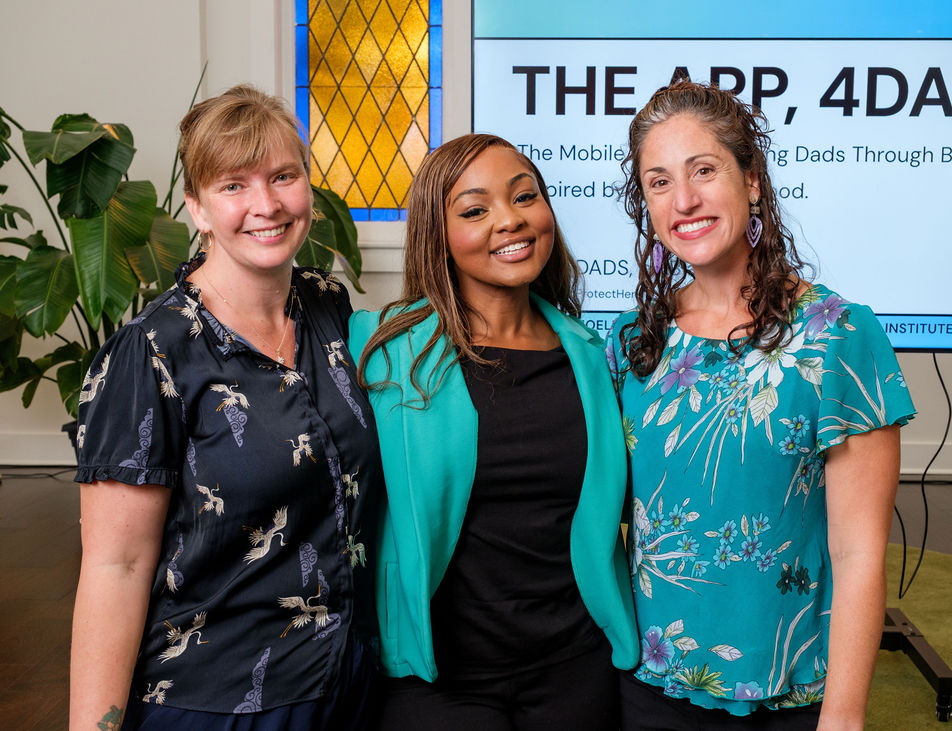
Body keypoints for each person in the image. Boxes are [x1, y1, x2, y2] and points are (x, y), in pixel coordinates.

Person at [69, 85, 382, 731]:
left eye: (283, 176)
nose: (265, 204)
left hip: (346, 683)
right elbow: (114, 566)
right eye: (233, 185)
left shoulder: (328, 307)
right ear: (197, 208)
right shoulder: (152, 353)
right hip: (218, 700)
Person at [606, 78, 916, 730]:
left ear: (752, 181)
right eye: (659, 182)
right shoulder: (632, 343)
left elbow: (859, 553)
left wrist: (844, 715)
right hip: (650, 689)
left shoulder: (838, 336)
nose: (683, 199)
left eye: (703, 170)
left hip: (793, 697)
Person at [347, 133, 639, 730]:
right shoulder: (382, 349)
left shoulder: (590, 356)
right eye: (475, 210)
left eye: (525, 197)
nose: (511, 221)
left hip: (575, 668)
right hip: (437, 682)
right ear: (439, 235)